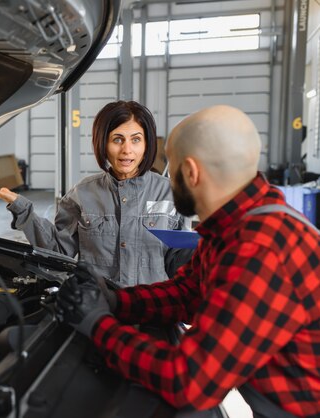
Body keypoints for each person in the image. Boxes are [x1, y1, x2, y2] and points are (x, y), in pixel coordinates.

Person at [56, 105, 320, 417]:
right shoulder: (233, 227)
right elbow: (188, 294)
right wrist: (114, 300)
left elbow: (190, 381)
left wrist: (98, 325)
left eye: (171, 166)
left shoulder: (260, 248)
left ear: (191, 172)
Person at [0, 101, 192, 287]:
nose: (127, 150)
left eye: (136, 140)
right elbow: (57, 252)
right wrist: (23, 210)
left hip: (152, 309)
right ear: (102, 143)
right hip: (98, 309)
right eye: (117, 140)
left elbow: (180, 262)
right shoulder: (82, 194)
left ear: (147, 144)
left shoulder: (170, 192)